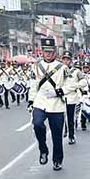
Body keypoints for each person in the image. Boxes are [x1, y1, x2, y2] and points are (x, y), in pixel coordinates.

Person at [28, 38, 71, 171]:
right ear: (42, 52)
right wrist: (31, 101)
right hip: (40, 102)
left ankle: (57, 160)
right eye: (46, 52)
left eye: (50, 52)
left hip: (56, 104)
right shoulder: (36, 67)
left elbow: (70, 85)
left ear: (55, 53)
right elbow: (33, 85)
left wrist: (59, 91)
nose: (48, 54)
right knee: (37, 124)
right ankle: (43, 149)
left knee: (57, 135)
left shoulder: (62, 67)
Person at [62, 53, 83, 145]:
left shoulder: (76, 71)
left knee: (70, 118)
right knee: (60, 118)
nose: (66, 61)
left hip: (71, 97)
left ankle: (71, 135)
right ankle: (64, 130)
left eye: (68, 59)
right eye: (64, 59)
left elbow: (84, 81)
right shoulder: (58, 71)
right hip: (61, 97)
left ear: (71, 61)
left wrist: (75, 86)